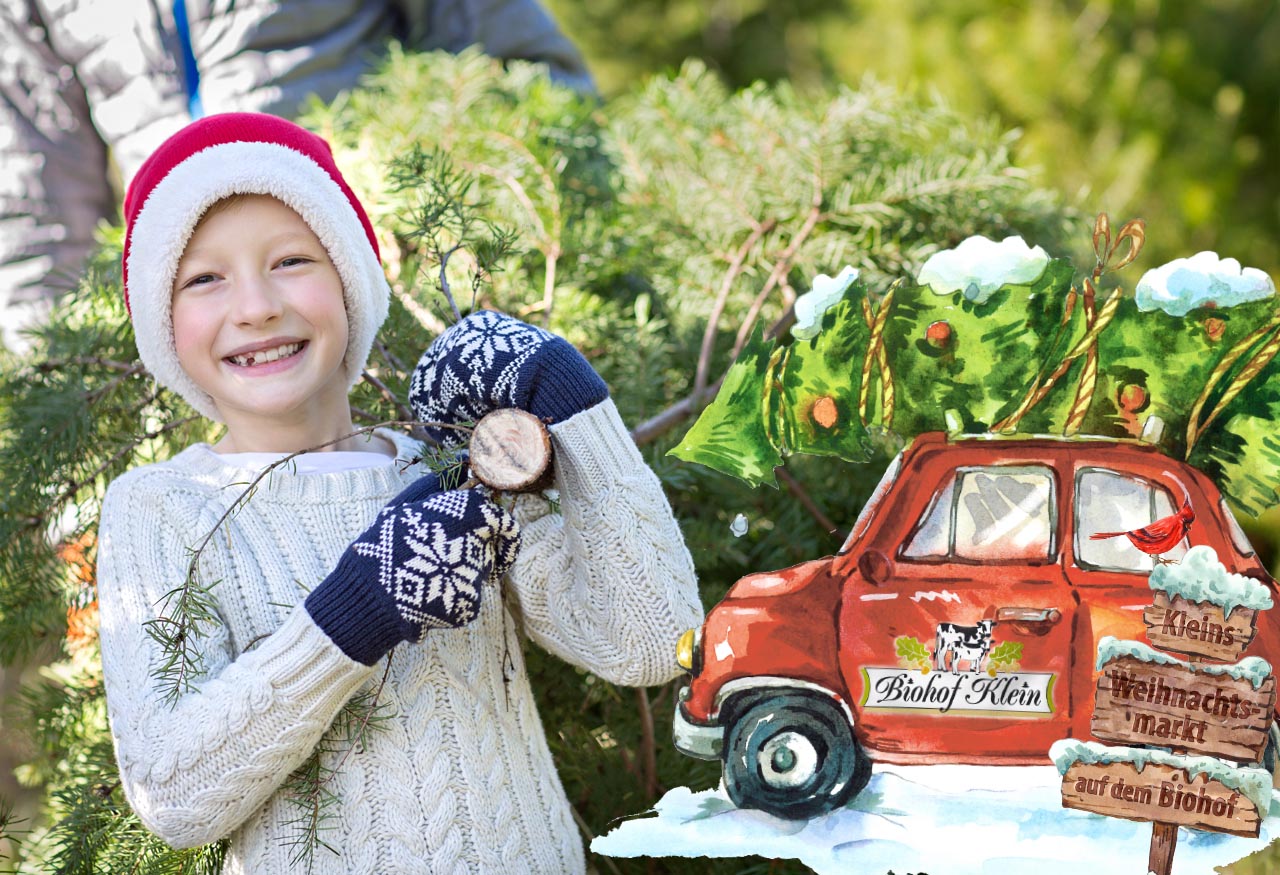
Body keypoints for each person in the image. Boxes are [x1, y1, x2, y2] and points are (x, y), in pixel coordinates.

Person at [96, 112, 702, 874]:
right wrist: (352, 614)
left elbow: (655, 641)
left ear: (351, 284)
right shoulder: (158, 509)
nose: (254, 306)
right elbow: (174, 795)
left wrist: (575, 407)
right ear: (165, 323)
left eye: (290, 261)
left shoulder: (446, 471)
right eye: (205, 278)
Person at [0, 0, 594, 352]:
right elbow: (37, 203)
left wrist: (429, 225)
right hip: (193, 330)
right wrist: (59, 380)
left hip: (407, 290)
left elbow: (526, 76)